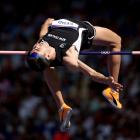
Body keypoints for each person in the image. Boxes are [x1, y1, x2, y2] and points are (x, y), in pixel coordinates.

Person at [26, 18, 123, 131]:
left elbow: (45, 26)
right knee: (116, 41)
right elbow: (91, 73)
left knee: (46, 67)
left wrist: (48, 22)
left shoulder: (41, 42)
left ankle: (62, 107)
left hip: (65, 25)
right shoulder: (69, 56)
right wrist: (107, 80)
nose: (36, 46)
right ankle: (113, 92)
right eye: (37, 50)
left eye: (34, 48)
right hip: (83, 29)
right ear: (47, 56)